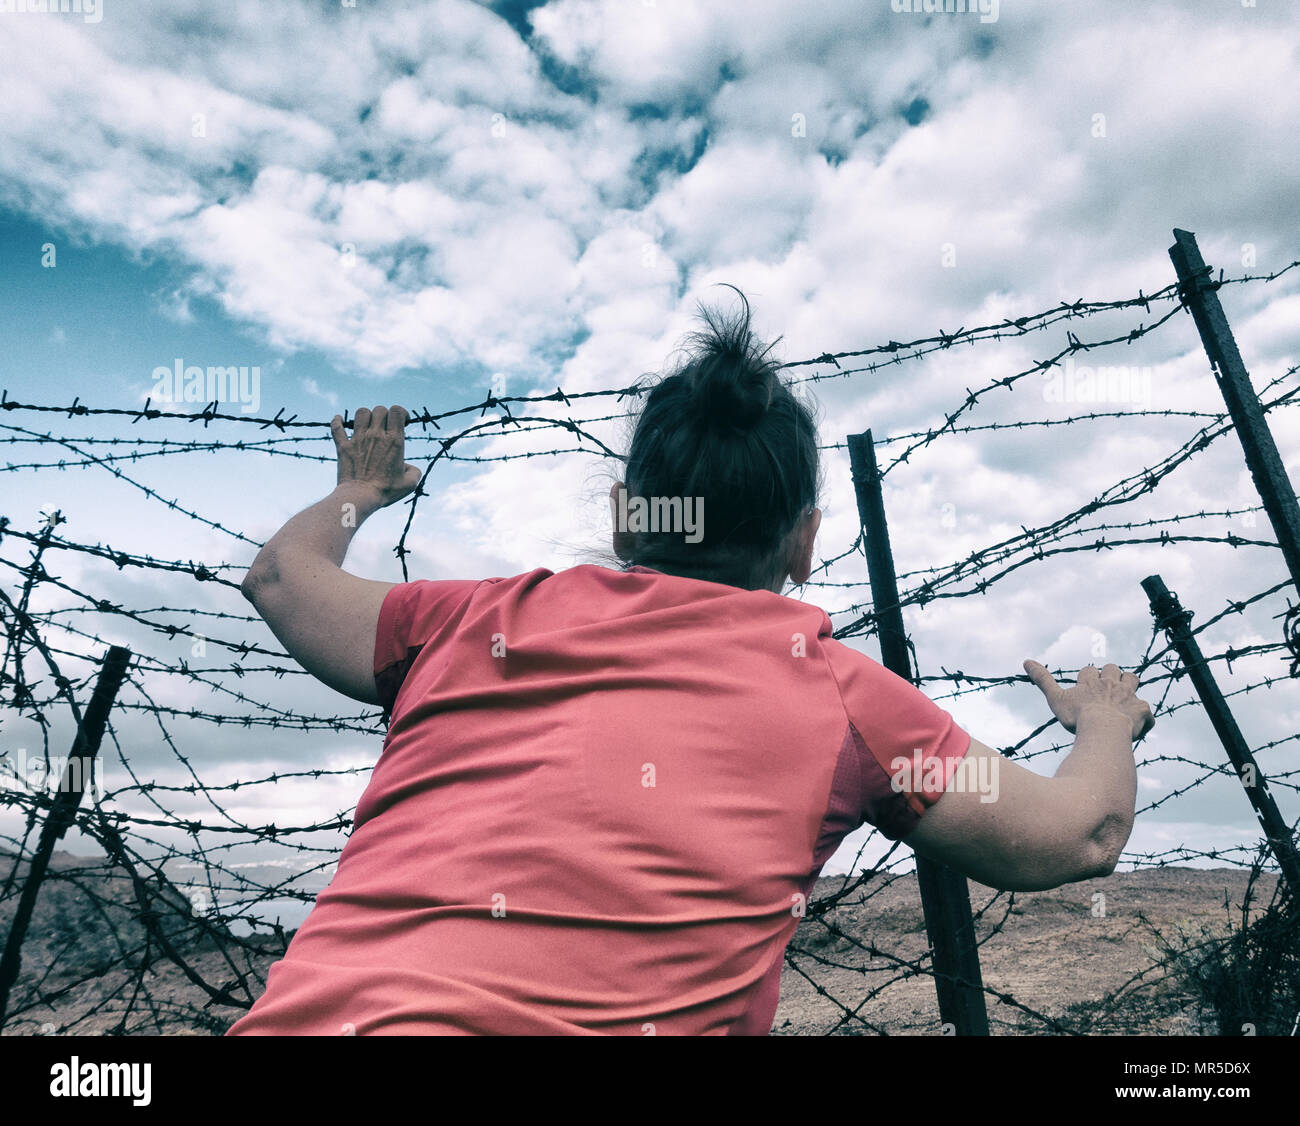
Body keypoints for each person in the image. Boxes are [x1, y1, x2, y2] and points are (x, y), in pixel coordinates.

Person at [226, 290, 1155, 1036]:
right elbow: (1082, 835)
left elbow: (279, 577)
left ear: (626, 516)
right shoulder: (843, 701)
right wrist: (1106, 718)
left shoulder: (465, 622)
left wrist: (359, 491)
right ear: (805, 541)